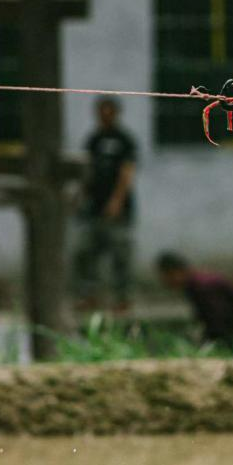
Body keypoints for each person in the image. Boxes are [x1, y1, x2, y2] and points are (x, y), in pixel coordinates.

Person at [73, 96, 138, 312]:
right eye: (102, 111)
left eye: (109, 111)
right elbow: (86, 171)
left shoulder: (124, 140)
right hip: (93, 207)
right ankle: (89, 295)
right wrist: (80, 196)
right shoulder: (94, 139)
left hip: (117, 210)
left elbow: (127, 172)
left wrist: (117, 201)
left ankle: (123, 298)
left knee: (120, 254)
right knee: (86, 253)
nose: (105, 115)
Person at [155, 251, 233, 349]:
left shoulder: (202, 286)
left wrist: (208, 340)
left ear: (177, 272)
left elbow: (219, 317)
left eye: (166, 276)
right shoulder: (194, 286)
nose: (165, 281)